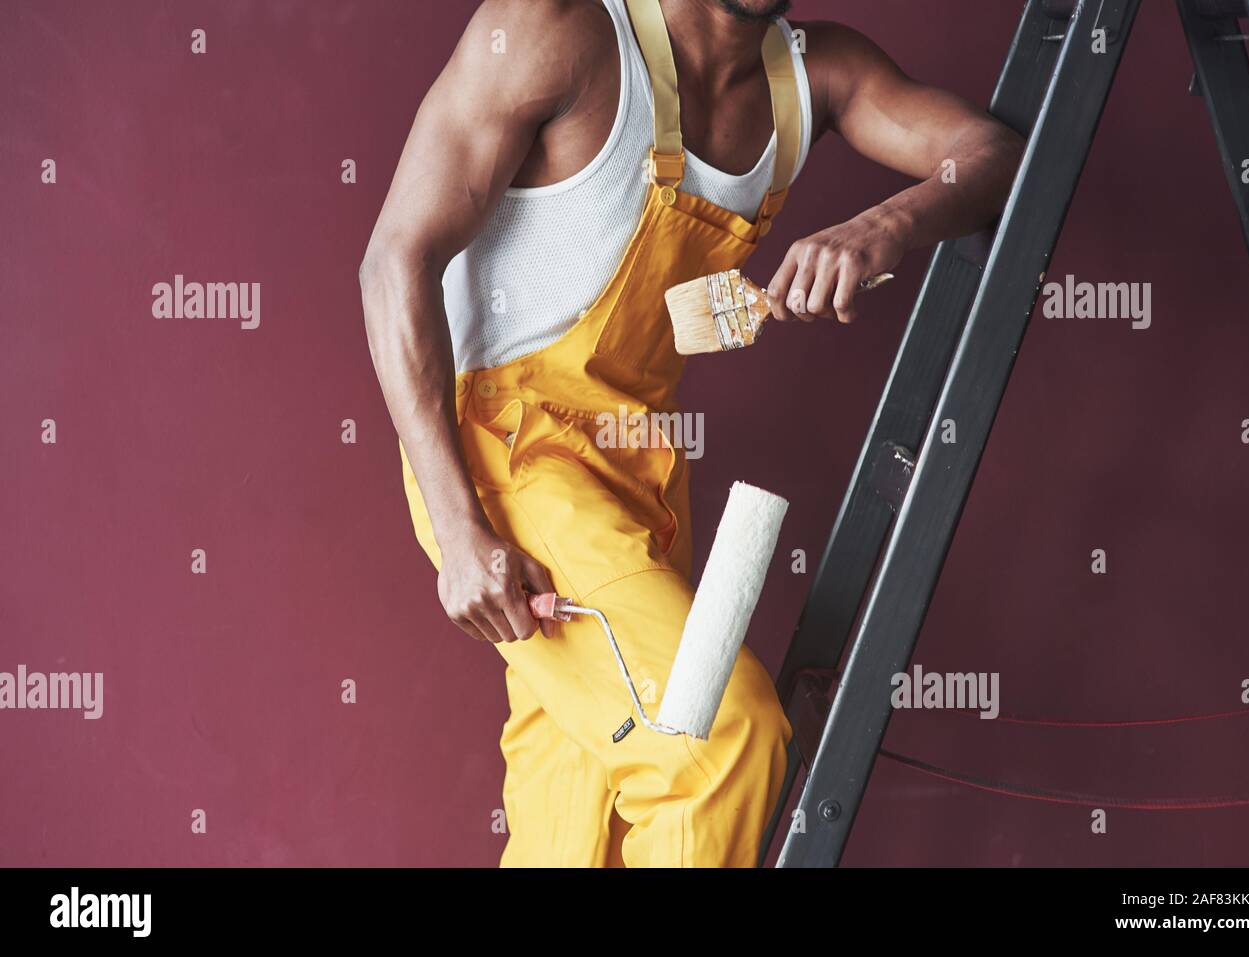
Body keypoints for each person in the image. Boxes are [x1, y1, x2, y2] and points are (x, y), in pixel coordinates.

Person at [359, 0, 1022, 867]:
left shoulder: (815, 75)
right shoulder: (556, 28)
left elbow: (996, 155)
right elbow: (394, 260)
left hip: (638, 475)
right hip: (506, 457)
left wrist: (884, 225)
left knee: (571, 820)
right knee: (717, 743)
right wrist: (457, 532)